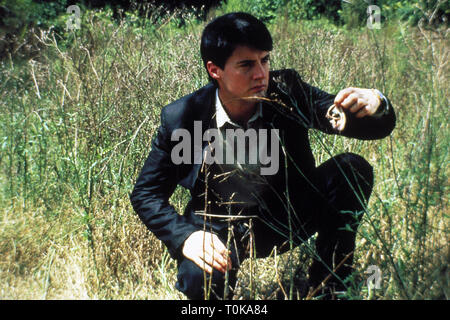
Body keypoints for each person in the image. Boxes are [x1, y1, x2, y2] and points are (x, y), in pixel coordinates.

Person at [130, 12, 396, 300]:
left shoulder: (286, 92)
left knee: (351, 169)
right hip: (221, 230)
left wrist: (375, 105)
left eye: (265, 60)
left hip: (289, 217)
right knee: (200, 281)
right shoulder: (183, 117)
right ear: (215, 70)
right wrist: (186, 236)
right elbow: (146, 193)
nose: (261, 74)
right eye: (246, 64)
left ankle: (330, 286)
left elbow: (343, 117)